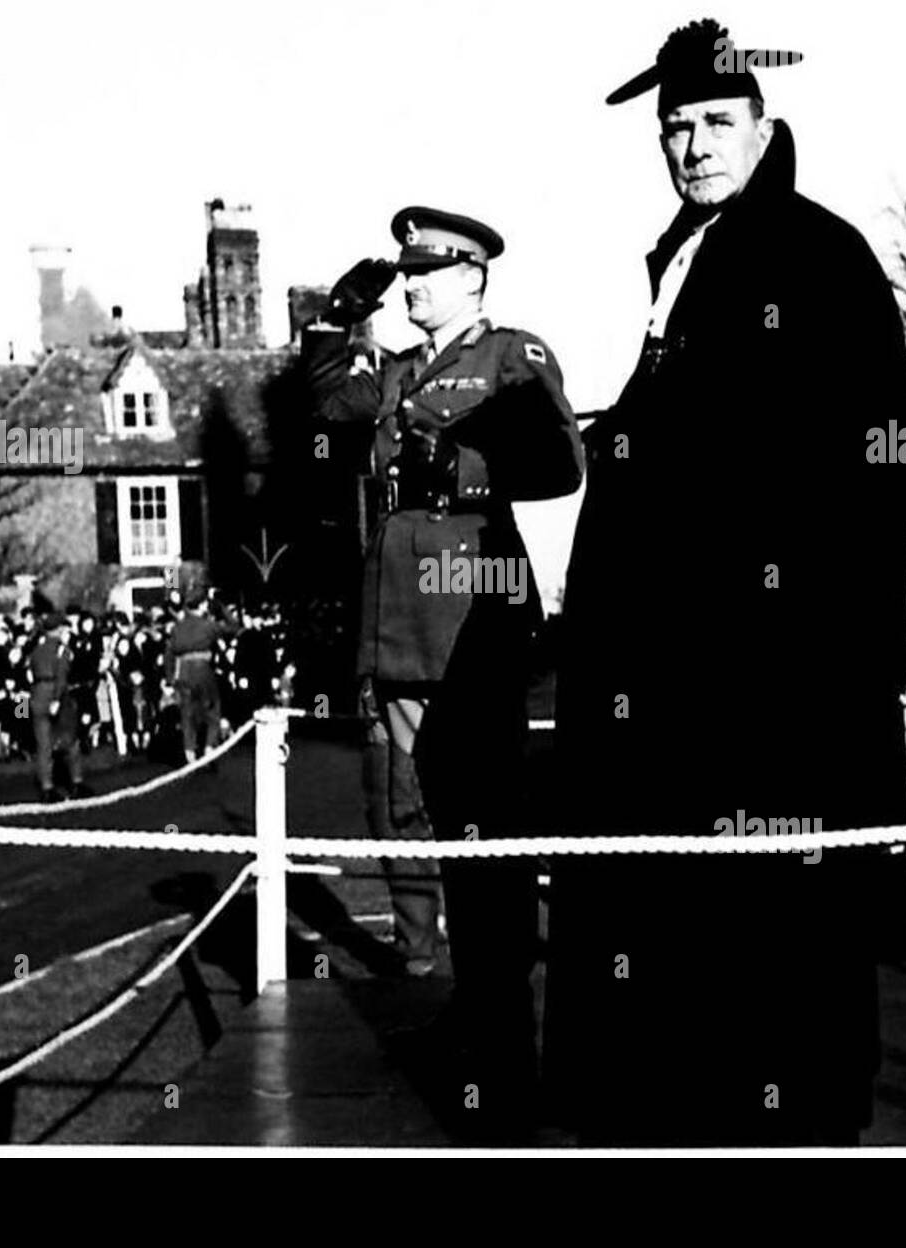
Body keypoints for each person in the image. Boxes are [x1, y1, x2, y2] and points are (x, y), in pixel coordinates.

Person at [546, 19, 906, 1145]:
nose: (692, 145)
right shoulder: (693, 257)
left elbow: (858, 471)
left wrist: (778, 644)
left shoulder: (813, 257)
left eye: (714, 123)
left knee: (779, 956)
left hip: (764, 694)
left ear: (763, 126)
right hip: (679, 693)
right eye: (674, 128)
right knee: (696, 955)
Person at [304, 206, 584, 1137]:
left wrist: (457, 454)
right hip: (399, 630)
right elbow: (327, 406)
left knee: (487, 828)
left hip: (468, 621)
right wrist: (332, 325)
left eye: (427, 270)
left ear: (471, 277)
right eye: (404, 272)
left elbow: (556, 458)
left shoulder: (512, 355)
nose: (411, 283)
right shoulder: (389, 373)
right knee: (426, 819)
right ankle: (472, 1009)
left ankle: (505, 1033)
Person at [167, 589, 236, 762]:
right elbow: (233, 627)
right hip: (203, 670)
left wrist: (169, 678)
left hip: (183, 672)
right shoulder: (207, 625)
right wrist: (220, 606)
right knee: (213, 709)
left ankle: (189, 750)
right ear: (203, 606)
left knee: (187, 713)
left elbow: (169, 653)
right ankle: (209, 746)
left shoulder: (177, 627)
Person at [29, 612, 90, 801]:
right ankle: (77, 782)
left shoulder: (36, 650)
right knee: (70, 740)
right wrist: (56, 699)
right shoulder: (61, 650)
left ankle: (47, 787)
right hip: (55, 693)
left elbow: (30, 673)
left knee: (43, 745)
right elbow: (62, 676)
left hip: (37, 694)